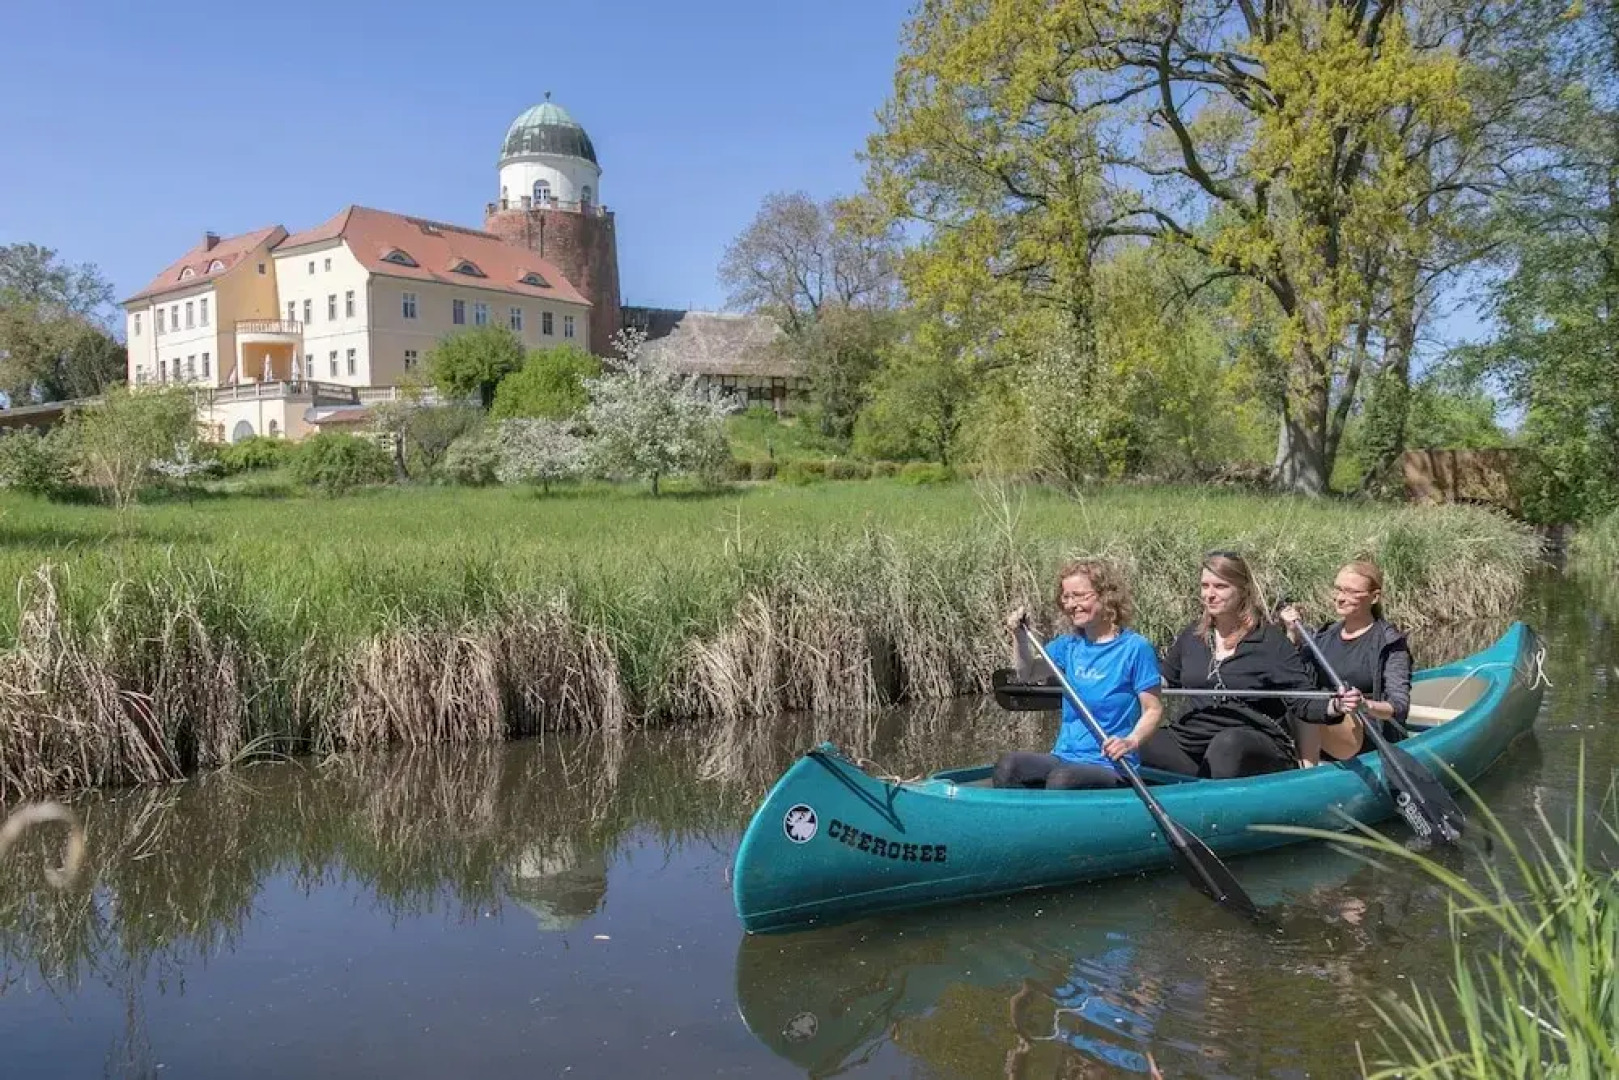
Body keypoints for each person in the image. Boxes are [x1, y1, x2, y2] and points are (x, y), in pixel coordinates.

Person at [1140, 551, 1322, 780]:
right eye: (1205, 586)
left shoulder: (1270, 642)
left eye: (1220, 586)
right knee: (1138, 744)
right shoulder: (1192, 637)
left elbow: (1304, 700)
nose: (1210, 595)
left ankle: (1215, 803)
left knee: (1227, 745)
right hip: (1194, 738)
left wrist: (1336, 707)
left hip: (1252, 741)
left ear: (1243, 590)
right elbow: (1164, 680)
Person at [995, 559, 1164, 790]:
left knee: (1062, 779)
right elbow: (1027, 673)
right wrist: (1019, 636)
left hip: (1111, 764)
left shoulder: (1135, 648)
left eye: (1080, 596)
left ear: (1106, 597)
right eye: (1066, 597)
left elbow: (1153, 710)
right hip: (1064, 757)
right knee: (1009, 766)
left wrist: (1130, 741)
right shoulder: (1069, 646)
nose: (1072, 604)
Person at [1279, 560, 1412, 765]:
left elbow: (1399, 707)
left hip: (1365, 732)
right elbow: (1292, 673)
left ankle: (1307, 773)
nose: (1340, 598)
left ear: (1374, 597)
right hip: (1321, 724)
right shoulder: (1325, 636)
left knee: (1313, 700)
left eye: (1351, 592)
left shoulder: (1390, 643)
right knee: (1295, 693)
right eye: (1338, 589)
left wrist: (1364, 705)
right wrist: (1292, 634)